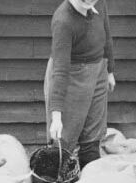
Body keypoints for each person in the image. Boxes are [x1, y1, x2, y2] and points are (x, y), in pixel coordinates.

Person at [44, 0, 115, 169]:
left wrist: (110, 71)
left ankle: (90, 180)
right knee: (63, 139)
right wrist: (56, 117)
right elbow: (60, 70)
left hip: (98, 70)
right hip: (71, 75)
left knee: (93, 134)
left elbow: (107, 36)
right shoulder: (63, 21)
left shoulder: (99, 4)